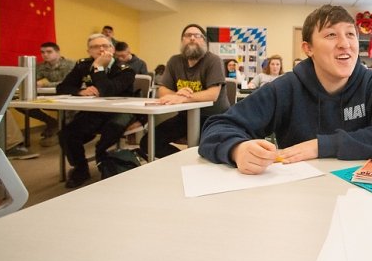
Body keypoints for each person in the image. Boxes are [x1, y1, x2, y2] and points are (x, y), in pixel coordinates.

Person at [199, 4, 372, 174]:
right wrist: (237, 150)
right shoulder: (286, 88)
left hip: (361, 196)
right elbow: (216, 128)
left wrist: (321, 146)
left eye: (350, 34)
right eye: (331, 35)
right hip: (300, 196)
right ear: (308, 48)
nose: (345, 44)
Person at [57, 34, 135, 188]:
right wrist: (80, 91)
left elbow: (109, 91)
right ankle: (81, 168)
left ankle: (104, 162)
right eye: (95, 47)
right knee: (67, 134)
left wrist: (98, 67)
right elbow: (62, 87)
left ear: (112, 49)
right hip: (95, 112)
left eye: (105, 46)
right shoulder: (83, 66)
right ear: (88, 51)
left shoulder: (125, 70)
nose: (101, 49)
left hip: (120, 111)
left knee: (108, 135)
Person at [141, 24, 226, 159]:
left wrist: (183, 97)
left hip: (213, 118)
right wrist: (178, 95)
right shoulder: (174, 61)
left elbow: (213, 94)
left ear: (204, 41)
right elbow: (162, 91)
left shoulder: (213, 60)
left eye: (197, 36)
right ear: (182, 41)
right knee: (148, 142)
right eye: (187, 35)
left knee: (208, 151)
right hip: (185, 117)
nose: (192, 38)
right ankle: (182, 161)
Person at [16, 41, 75, 147]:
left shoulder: (70, 65)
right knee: (21, 104)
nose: (45, 55)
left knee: (69, 110)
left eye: (49, 52)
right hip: (52, 95)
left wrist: (43, 85)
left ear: (58, 52)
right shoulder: (41, 66)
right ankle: (51, 122)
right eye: (42, 52)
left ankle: (64, 134)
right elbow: (32, 80)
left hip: (69, 95)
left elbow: (68, 83)